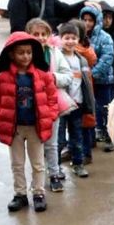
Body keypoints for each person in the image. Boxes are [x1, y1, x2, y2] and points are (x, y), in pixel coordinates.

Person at [0, 32, 59, 213]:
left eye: (29, 52)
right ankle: (20, 194)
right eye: (21, 52)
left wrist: (50, 116)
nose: (26, 56)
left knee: (38, 164)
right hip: (15, 128)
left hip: (35, 127)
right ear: (11, 54)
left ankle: (38, 193)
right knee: (17, 163)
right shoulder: (2, 77)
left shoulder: (43, 75)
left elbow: (53, 98)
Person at [26, 18, 72, 193]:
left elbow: (67, 76)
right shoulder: (23, 53)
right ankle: (37, 178)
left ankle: (54, 174)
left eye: (43, 34)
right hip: (30, 106)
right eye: (35, 34)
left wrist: (53, 78)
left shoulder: (54, 53)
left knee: (52, 143)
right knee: (35, 144)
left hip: (51, 104)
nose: (40, 38)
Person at [56, 22, 93, 177]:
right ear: (60, 39)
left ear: (78, 39)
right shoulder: (56, 57)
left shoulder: (81, 60)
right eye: (66, 38)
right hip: (60, 105)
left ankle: (78, 164)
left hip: (77, 104)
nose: (70, 41)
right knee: (58, 139)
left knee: (76, 136)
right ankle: (55, 167)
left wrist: (89, 103)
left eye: (73, 38)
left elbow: (86, 83)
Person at [78, 6, 114, 147]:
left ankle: (110, 134)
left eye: (90, 20)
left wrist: (92, 74)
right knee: (90, 110)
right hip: (87, 82)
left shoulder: (105, 37)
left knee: (105, 108)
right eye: (84, 20)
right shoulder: (79, 36)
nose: (87, 23)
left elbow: (107, 58)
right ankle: (94, 134)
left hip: (103, 80)